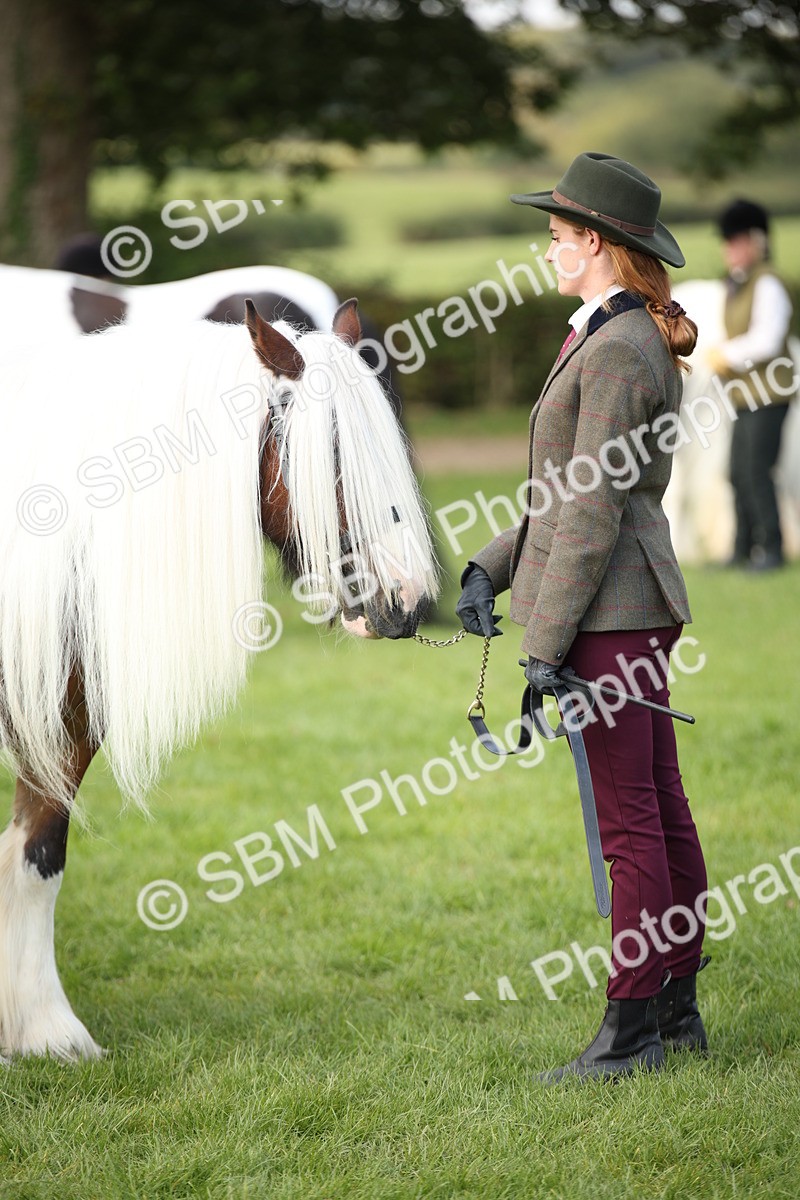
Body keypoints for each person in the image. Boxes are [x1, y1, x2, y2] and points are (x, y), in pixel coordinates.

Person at [456, 152, 709, 1083]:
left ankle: (633, 1028)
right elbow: (564, 493)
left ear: (596, 243)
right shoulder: (611, 334)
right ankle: (674, 1011)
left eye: (559, 235)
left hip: (613, 611)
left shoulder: (616, 350)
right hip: (621, 605)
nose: (549, 248)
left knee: (631, 823)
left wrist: (545, 644)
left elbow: (592, 511)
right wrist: (488, 568)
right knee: (658, 809)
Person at [707, 200, 796, 570]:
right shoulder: (737, 284)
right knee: (737, 472)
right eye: (729, 242)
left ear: (757, 242)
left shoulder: (768, 283)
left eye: (737, 241)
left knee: (757, 472)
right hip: (745, 396)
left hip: (769, 396)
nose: (730, 249)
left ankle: (771, 548)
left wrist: (725, 354)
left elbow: (767, 340)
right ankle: (741, 548)